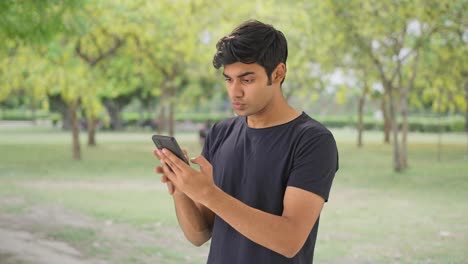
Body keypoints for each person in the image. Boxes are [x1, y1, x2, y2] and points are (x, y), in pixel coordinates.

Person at [153, 20, 339, 263]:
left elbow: (290, 240)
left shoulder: (313, 141)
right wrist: (182, 189)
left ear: (278, 73)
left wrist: (208, 193)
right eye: (229, 79)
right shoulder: (220, 133)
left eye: (247, 80)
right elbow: (199, 234)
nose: (234, 91)